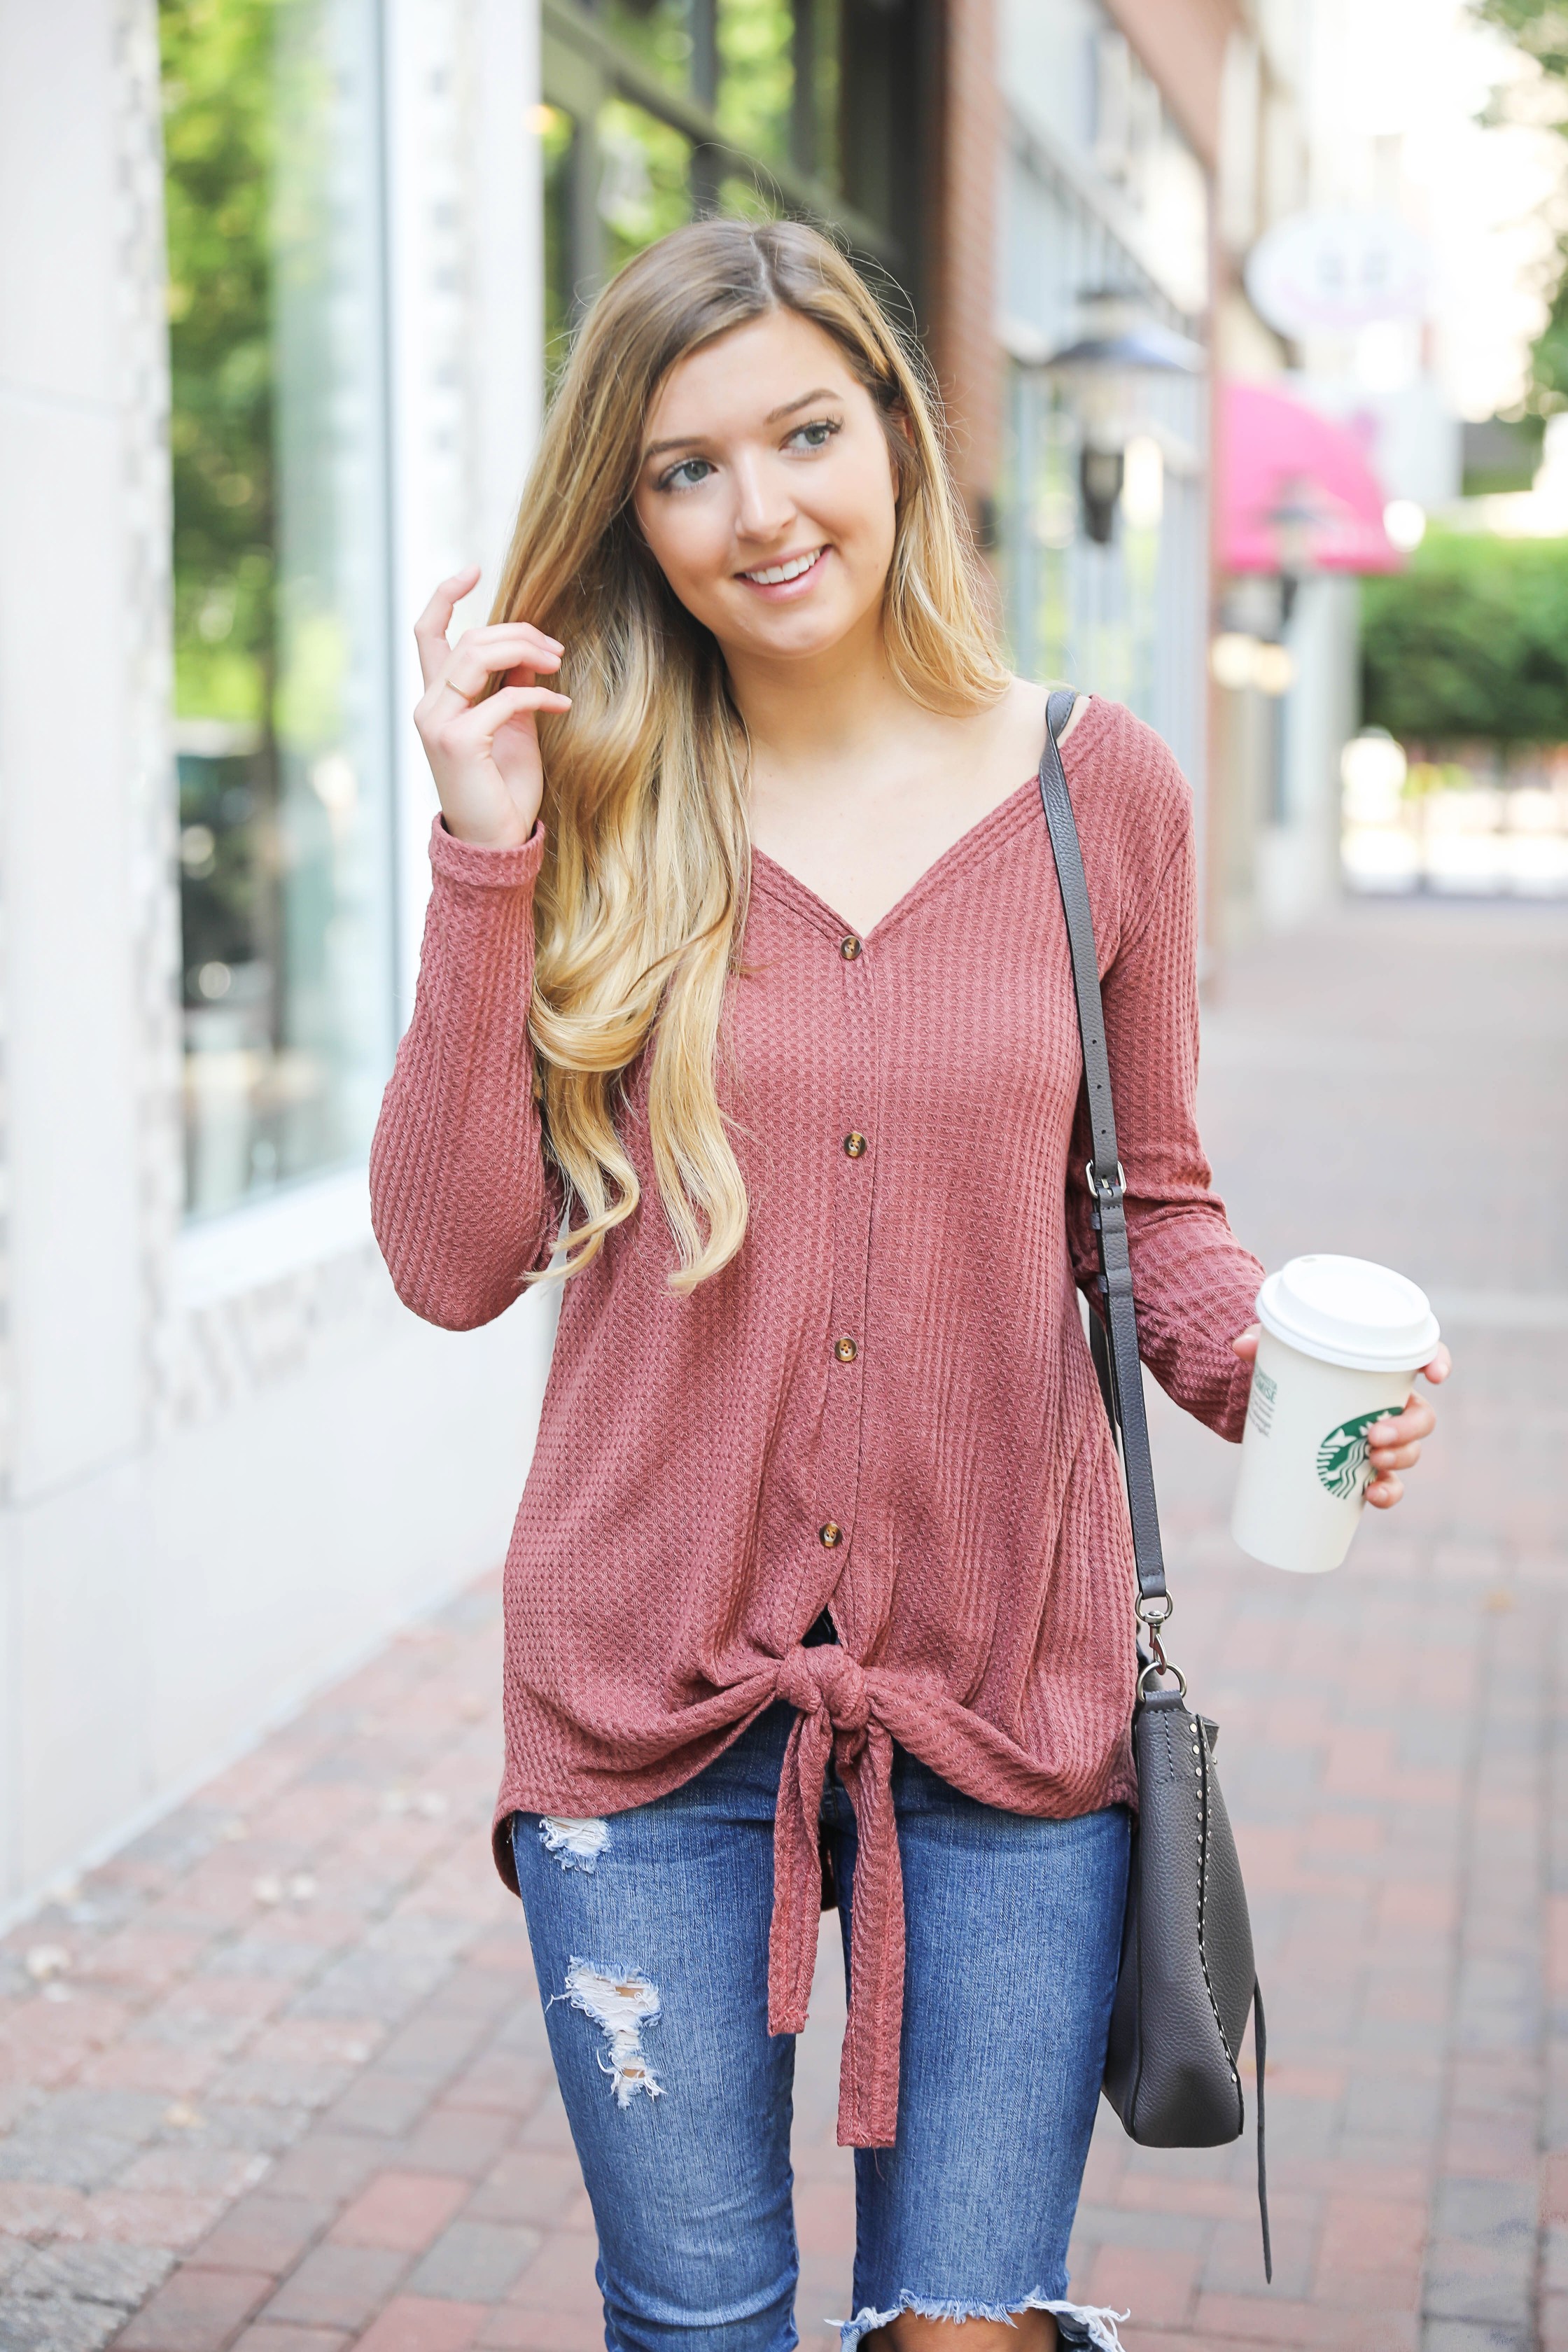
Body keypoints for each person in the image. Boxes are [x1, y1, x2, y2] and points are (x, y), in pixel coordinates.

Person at [369, 220, 1448, 2352]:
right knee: (695, 2322)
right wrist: (484, 849)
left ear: (899, 434)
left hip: (1012, 1688)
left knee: (972, 2322)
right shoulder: (590, 801)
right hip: (645, 1696)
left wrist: (1284, 1377)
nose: (760, 510)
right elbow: (448, 1258)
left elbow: (1147, 1214)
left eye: (803, 433)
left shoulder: (1092, 788)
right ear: (630, 507)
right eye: (686, 468)